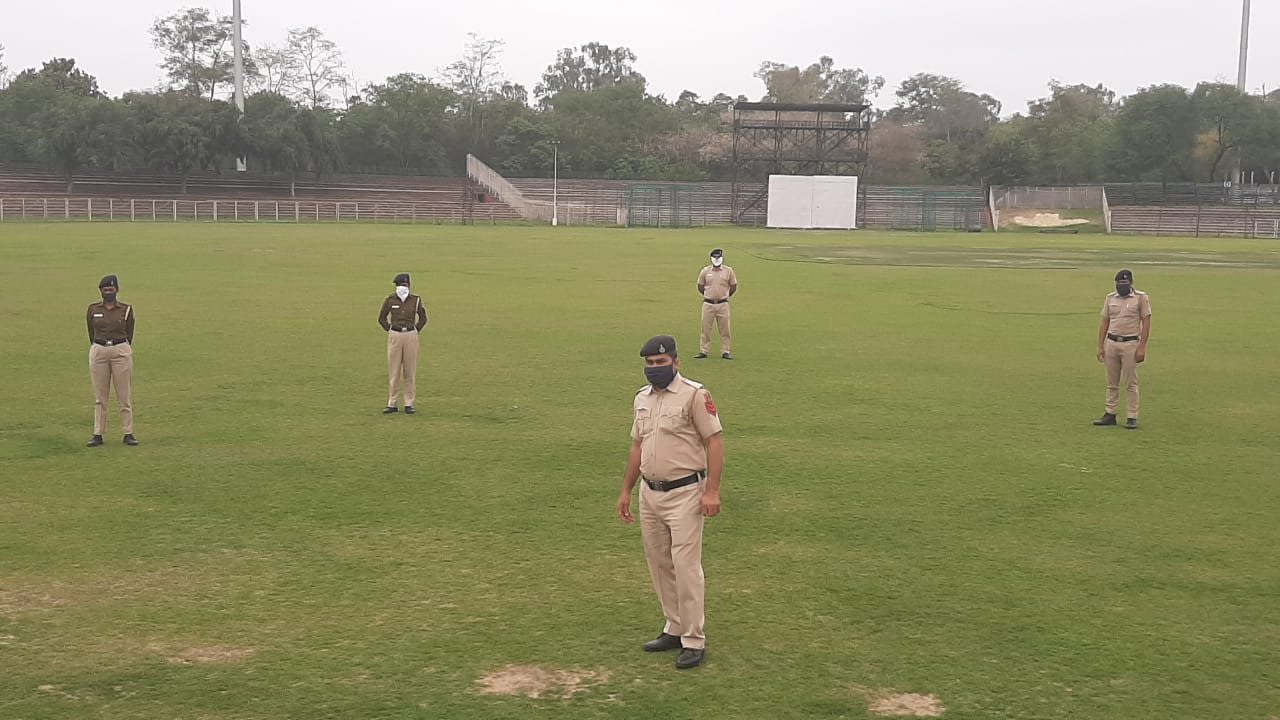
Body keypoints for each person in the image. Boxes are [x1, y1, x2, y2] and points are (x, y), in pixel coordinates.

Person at [616, 335, 724, 670]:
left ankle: (694, 639)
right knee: (660, 563)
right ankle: (674, 627)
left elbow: (715, 442)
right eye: (649, 364)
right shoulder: (641, 399)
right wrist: (626, 490)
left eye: (661, 363)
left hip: (686, 493)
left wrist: (712, 491)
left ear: (676, 362)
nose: (654, 369)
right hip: (650, 493)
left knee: (686, 567)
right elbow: (637, 446)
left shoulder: (694, 394)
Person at [1093, 269, 1152, 429]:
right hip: (1111, 342)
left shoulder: (1141, 298)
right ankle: (1110, 413)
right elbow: (1104, 321)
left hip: (1130, 344)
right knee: (1112, 382)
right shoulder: (1110, 298)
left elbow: (1146, 322)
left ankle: (1132, 416)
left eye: (1125, 283)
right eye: (1119, 283)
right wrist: (1100, 346)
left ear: (1131, 283)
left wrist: (1142, 347)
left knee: (1131, 383)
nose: (1122, 286)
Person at [85, 275, 138, 447]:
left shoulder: (126, 309)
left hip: (120, 350)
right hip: (99, 350)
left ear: (117, 290)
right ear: (101, 291)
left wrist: (121, 347)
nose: (108, 292)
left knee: (124, 395)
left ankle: (128, 432)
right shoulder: (93, 309)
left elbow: (130, 331)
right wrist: (99, 346)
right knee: (100, 396)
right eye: (105, 290)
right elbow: (90, 331)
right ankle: (98, 433)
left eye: (111, 289)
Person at [377, 272, 428, 414]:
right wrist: (391, 330)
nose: (402, 288)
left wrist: (415, 330)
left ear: (409, 285)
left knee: (409, 371)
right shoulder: (390, 300)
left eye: (404, 285)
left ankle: (409, 403)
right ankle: (392, 403)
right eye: (399, 285)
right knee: (394, 372)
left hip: (410, 335)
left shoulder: (415, 300)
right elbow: (381, 318)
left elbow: (423, 318)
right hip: (395, 335)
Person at [696, 248, 737, 360]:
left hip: (723, 304)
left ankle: (726, 351)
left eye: (718, 257)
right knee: (705, 329)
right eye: (715, 257)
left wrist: (724, 296)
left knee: (725, 329)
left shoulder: (728, 271)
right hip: (708, 304)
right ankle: (704, 351)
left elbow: (733, 286)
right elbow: (700, 286)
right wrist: (709, 295)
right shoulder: (705, 271)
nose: (717, 259)